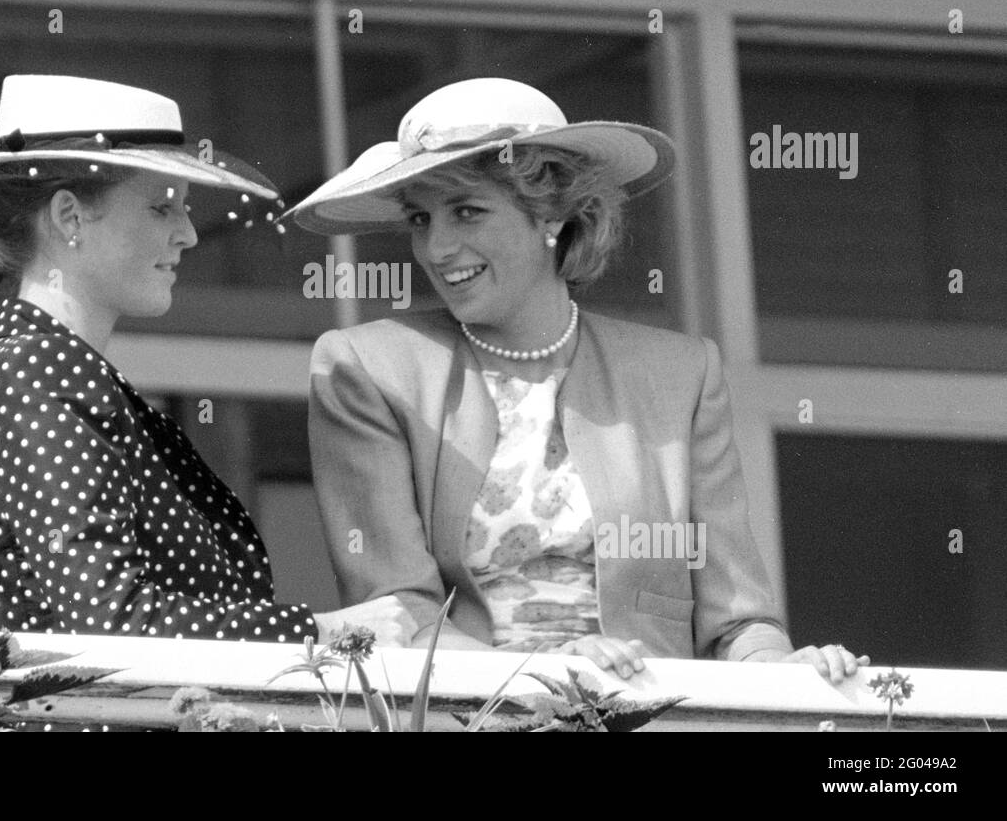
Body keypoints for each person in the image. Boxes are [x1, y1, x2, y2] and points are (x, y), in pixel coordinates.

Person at [288, 77, 868, 681]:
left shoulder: (680, 373)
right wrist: (527, 673)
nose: (436, 247)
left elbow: (735, 621)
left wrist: (785, 667)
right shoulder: (369, 366)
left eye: (467, 211)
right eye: (419, 218)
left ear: (554, 215)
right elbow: (400, 615)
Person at [0, 74, 412, 646]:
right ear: (70, 217)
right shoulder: (34, 375)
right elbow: (105, 620)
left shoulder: (44, 369)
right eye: (161, 208)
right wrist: (321, 630)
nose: (189, 234)